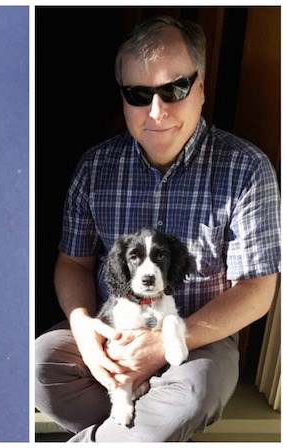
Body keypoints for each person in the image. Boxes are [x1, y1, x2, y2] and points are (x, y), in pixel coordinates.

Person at [34, 15, 280, 442]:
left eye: (174, 89)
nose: (156, 111)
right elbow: (72, 262)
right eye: (138, 94)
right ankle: (139, 430)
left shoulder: (247, 169)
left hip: (200, 339)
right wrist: (81, 326)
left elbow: (258, 289)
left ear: (200, 87)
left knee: (194, 393)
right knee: (40, 366)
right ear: (123, 98)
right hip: (113, 327)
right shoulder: (95, 167)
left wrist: (168, 343)